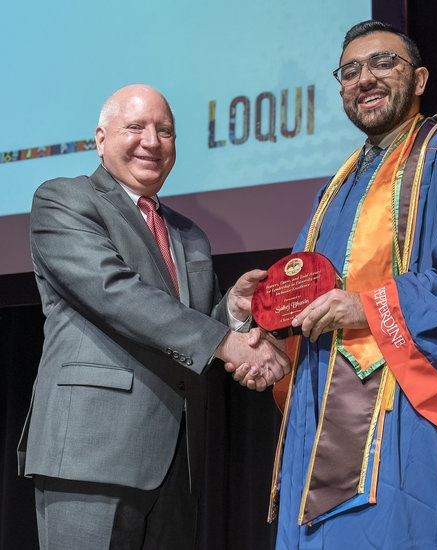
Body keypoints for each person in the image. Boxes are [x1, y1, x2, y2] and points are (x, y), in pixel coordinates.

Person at [227, 20, 437, 549]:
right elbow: (307, 303)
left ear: (419, 80)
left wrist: (369, 306)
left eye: (383, 63)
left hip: (401, 411)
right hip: (318, 408)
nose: (364, 78)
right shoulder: (335, 187)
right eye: (349, 70)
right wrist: (256, 326)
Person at [17, 84, 289, 549]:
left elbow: (194, 323)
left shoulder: (190, 235)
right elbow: (115, 294)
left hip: (177, 462)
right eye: (136, 127)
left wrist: (235, 313)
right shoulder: (63, 200)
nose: (153, 141)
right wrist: (224, 341)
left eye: (166, 131)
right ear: (101, 139)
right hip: (90, 453)